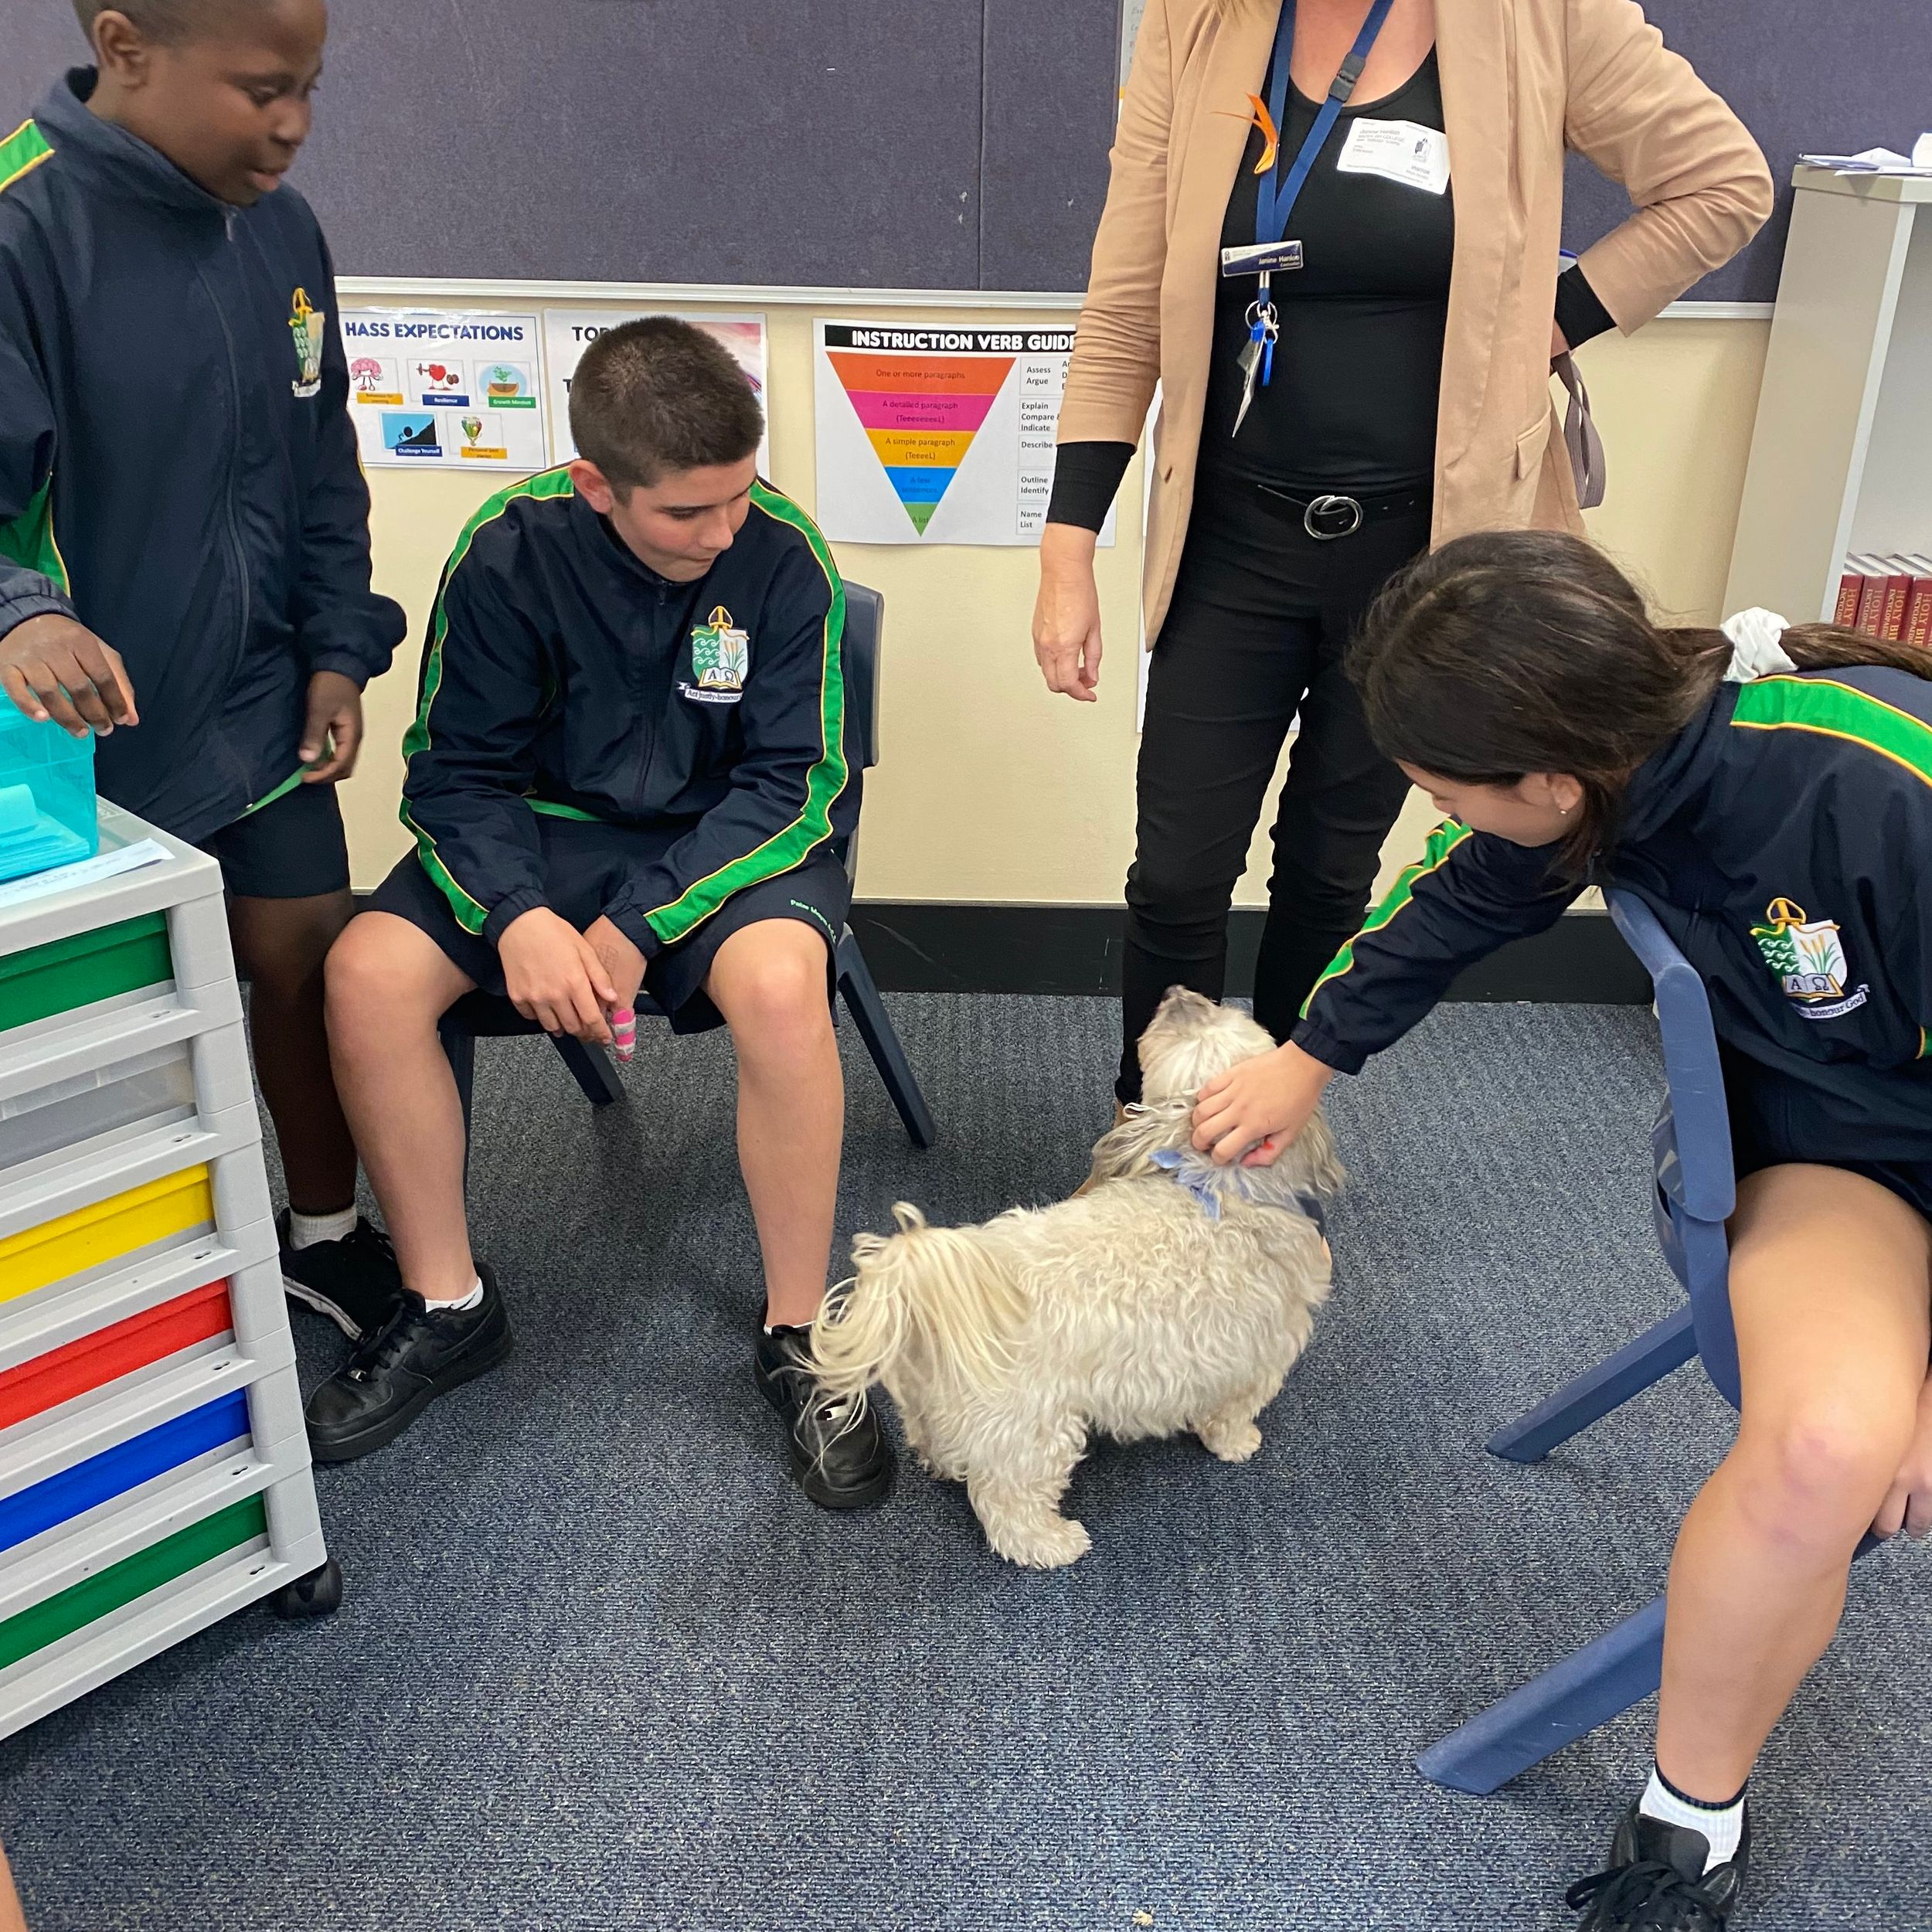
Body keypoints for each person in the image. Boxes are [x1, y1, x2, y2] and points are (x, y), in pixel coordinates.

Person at [1191, 530, 1932, 1930]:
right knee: (1828, 1451)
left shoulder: (1873, 784)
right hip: (1847, 1159)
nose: (1441, 816)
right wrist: (1308, 1056)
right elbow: (1453, 901)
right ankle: (1686, 1822)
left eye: (1441, 792)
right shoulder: (1610, 776)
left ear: (1549, 781)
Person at [1032, 0, 1774, 1115]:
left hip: (1429, 561)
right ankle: (1151, 1131)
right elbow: (1127, 303)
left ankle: (1272, 1132)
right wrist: (1067, 546)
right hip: (1233, 535)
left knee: (1331, 868)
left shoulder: (1541, 15)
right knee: (1178, 873)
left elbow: (1723, 184)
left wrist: (1547, 323)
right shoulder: (1198, 24)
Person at [312, 318, 893, 1509]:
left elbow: (796, 781)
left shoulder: (785, 554)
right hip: (541, 836)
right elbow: (454, 773)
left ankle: (801, 1335)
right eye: (687, 512)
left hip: (725, 842)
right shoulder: (506, 547)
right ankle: (448, 1304)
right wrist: (517, 915)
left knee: (784, 987)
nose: (723, 531)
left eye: (739, 495)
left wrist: (639, 923)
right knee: (365, 973)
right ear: (594, 484)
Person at [0, 2, 407, 1333]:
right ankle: (137, 1289)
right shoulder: (21, 230)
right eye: (261, 90)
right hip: (88, 730)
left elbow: (321, 464)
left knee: (304, 958)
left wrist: (339, 645)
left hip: (263, 699)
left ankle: (327, 1232)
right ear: (126, 49)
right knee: (122, 1026)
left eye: (311, 88)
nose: (293, 125)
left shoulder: (281, 230)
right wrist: (20, 611)